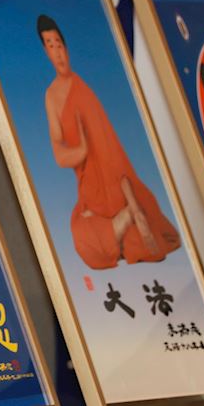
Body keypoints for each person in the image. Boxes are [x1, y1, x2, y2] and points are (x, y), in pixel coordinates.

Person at [38, 15, 181, 270]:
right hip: (89, 190)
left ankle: (129, 213)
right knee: (84, 240)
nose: (58, 52)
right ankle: (126, 218)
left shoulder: (84, 90)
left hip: (116, 183)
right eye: (50, 46)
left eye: (59, 44)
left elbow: (111, 149)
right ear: (45, 52)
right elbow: (59, 154)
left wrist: (129, 199)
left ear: (66, 47)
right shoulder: (52, 96)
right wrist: (81, 150)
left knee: (138, 241)